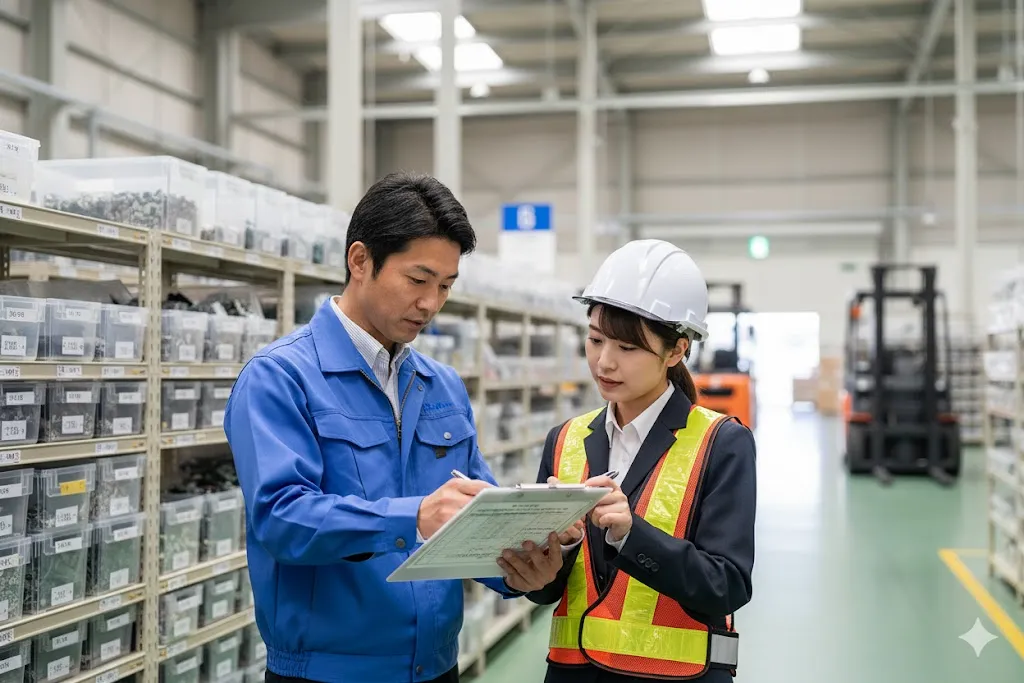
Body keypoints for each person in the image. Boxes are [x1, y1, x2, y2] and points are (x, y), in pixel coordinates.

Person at [224, 172, 568, 683]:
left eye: (446, 286)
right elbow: (281, 518)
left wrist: (531, 565)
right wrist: (415, 518)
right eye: (418, 280)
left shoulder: (443, 386)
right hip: (326, 673)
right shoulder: (281, 377)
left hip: (437, 667)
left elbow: (474, 520)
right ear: (360, 260)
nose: (431, 303)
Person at [525, 239, 757, 682]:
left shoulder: (721, 442)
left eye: (628, 349)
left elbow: (727, 586)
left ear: (676, 352)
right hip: (573, 673)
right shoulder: (565, 440)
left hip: (678, 675)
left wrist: (632, 536)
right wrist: (551, 553)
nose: (604, 362)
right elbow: (547, 592)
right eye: (595, 340)